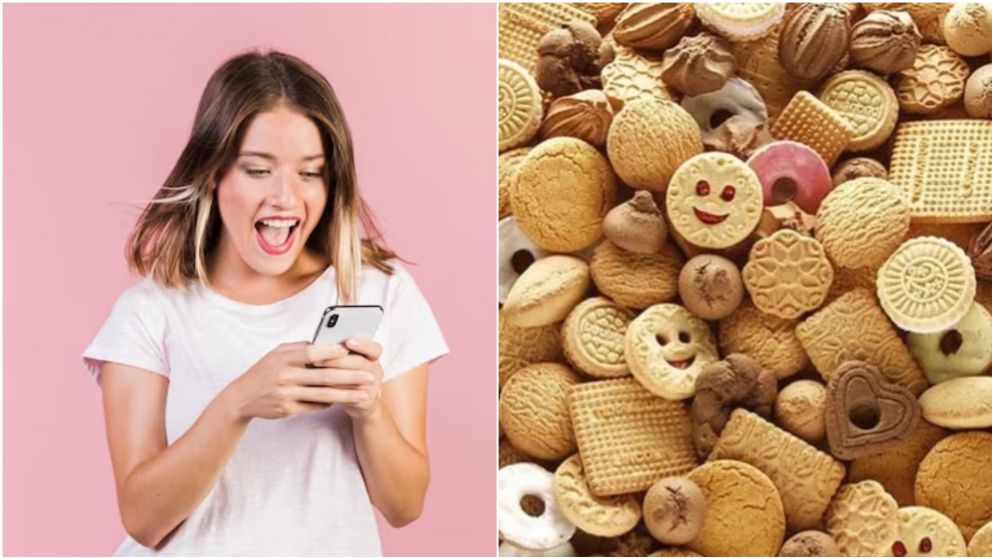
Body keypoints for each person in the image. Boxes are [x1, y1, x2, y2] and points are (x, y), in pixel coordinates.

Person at [81, 49, 448, 556]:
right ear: (214, 172)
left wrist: (369, 410)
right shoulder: (149, 312)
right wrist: (238, 403)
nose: (285, 198)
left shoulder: (380, 293)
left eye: (310, 172)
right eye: (257, 171)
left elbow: (405, 506)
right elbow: (144, 519)